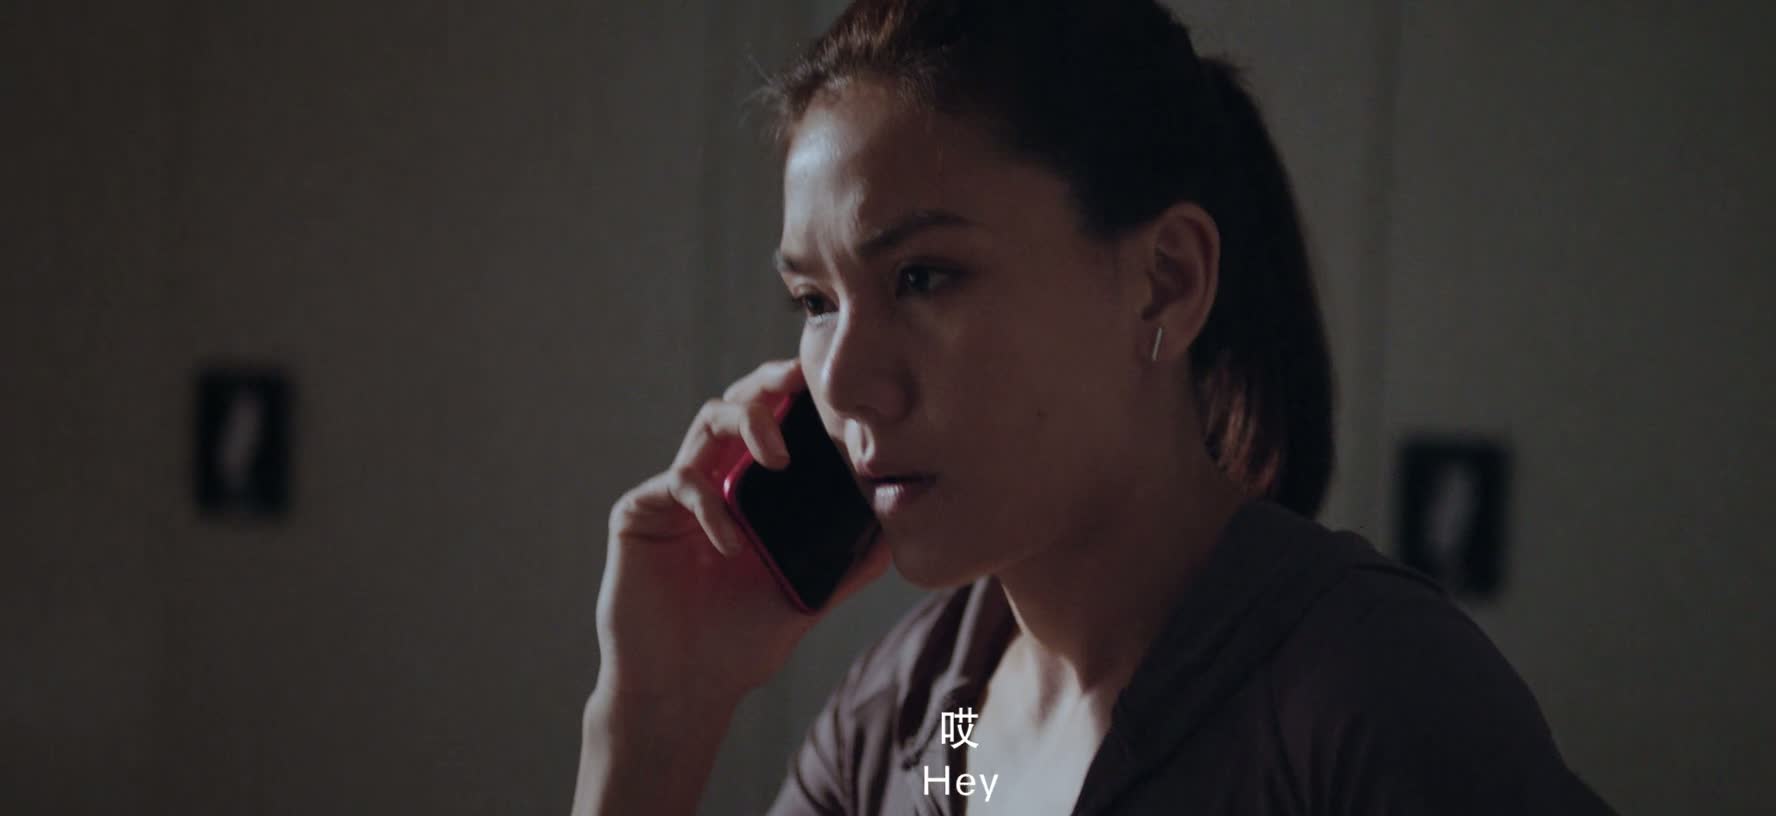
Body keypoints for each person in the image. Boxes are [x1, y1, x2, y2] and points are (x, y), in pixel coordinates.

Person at [572, 0, 1616, 813]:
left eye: (924, 277)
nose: (838, 383)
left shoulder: (1372, 697)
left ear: (1164, 282)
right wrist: (659, 715)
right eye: (815, 301)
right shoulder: (925, 726)